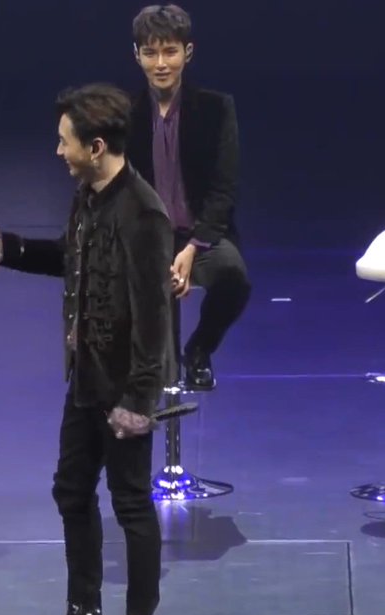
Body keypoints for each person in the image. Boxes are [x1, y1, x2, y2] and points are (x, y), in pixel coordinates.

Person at [0, 83, 168, 615]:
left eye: (64, 142)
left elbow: (154, 315)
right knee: (72, 492)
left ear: (95, 147)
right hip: (86, 380)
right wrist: (3, 244)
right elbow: (70, 261)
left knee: (131, 504)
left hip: (123, 389)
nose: (57, 151)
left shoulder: (143, 212)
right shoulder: (88, 196)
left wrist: (138, 400)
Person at [126, 4, 251, 391]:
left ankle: (198, 350)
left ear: (188, 52)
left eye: (170, 52)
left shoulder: (216, 108)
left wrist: (194, 247)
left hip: (201, 236)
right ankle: (146, 367)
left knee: (233, 278)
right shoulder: (123, 113)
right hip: (145, 237)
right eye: (151, 53)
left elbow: (223, 189)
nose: (161, 63)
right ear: (137, 55)